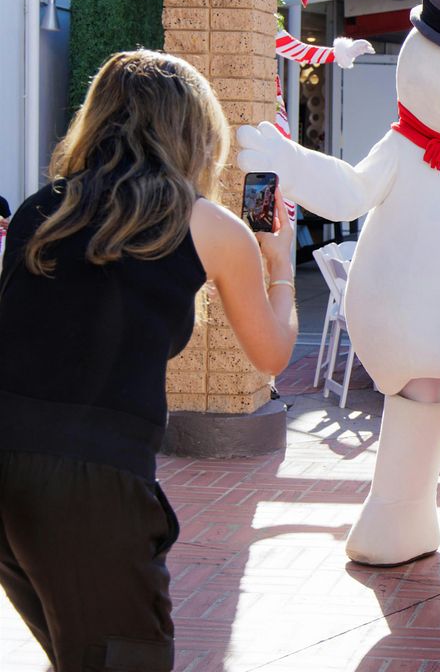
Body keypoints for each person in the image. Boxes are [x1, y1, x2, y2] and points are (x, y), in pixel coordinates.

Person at [0, 50, 298, 670]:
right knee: (123, 659)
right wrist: (281, 268)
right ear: (194, 130)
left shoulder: (41, 209)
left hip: (7, 456)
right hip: (92, 479)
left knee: (79, 652)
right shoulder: (207, 224)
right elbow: (271, 353)